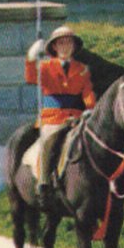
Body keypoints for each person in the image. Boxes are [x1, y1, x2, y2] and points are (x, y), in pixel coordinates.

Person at [25, 26, 96, 208]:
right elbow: (31, 77)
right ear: (54, 47)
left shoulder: (82, 69)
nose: (65, 46)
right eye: (61, 43)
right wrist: (31, 57)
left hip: (76, 117)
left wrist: (90, 108)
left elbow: (87, 92)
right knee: (50, 141)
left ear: (74, 46)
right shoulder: (46, 66)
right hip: (53, 118)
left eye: (69, 43)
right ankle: (43, 183)